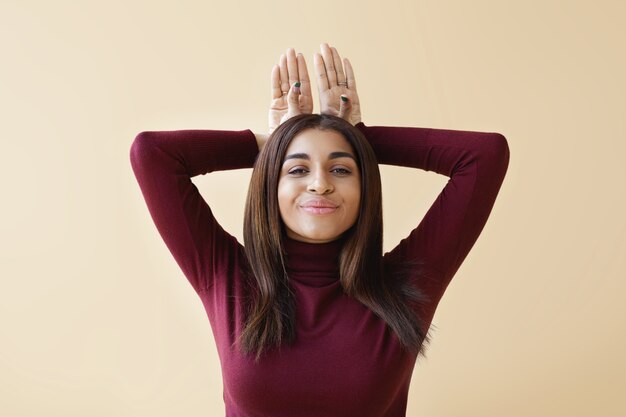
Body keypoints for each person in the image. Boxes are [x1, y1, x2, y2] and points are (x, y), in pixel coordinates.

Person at [129, 43, 510, 417]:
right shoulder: (227, 275)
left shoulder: (403, 285)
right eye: (297, 169)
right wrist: (276, 141)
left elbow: (484, 157)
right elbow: (152, 154)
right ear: (270, 183)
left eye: (341, 169)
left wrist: (356, 136)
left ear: (365, 188)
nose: (319, 184)